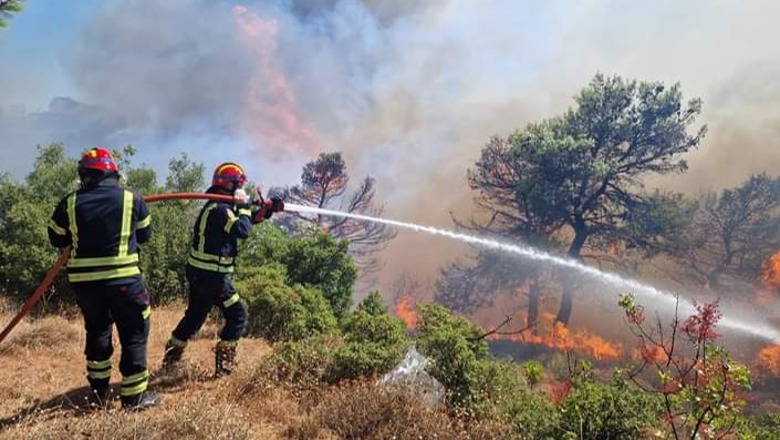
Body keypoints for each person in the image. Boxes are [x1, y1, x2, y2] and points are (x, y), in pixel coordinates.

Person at [48, 147, 160, 410]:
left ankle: (98, 394)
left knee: (97, 330)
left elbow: (55, 237)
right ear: (114, 174)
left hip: (85, 285)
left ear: (85, 175)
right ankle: (134, 399)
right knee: (134, 332)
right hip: (124, 281)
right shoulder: (133, 199)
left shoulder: (70, 202)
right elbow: (145, 235)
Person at [162, 162, 283, 376]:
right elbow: (242, 230)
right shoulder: (220, 209)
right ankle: (225, 366)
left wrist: (265, 210)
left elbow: (248, 221)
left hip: (201, 274)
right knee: (238, 314)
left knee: (195, 317)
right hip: (211, 277)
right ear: (231, 185)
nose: (242, 189)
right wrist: (244, 206)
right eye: (239, 186)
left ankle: (171, 358)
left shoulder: (219, 206)